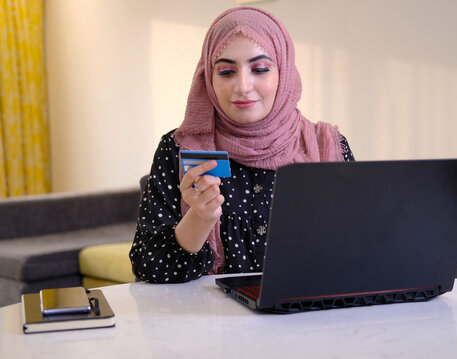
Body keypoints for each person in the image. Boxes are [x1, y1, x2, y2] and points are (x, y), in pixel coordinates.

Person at [129, 6, 355, 283]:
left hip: (310, 320)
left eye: (260, 69)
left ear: (284, 73)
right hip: (208, 323)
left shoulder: (326, 148)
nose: (243, 86)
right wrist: (200, 218)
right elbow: (148, 267)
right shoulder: (178, 150)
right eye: (226, 72)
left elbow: (359, 254)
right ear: (208, 79)